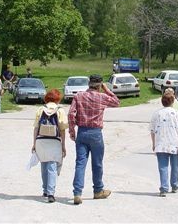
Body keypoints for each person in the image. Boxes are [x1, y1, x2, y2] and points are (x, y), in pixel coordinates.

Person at [68, 74, 120, 205]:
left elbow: (71, 114)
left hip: (82, 132)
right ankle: (98, 190)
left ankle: (77, 193)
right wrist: (107, 89)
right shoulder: (102, 97)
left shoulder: (79, 96)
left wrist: (72, 131)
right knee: (97, 163)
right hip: (96, 133)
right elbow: (116, 102)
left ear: (89, 84)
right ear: (100, 85)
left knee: (80, 163)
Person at [32, 89, 67, 203]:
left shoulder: (40, 109)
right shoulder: (60, 110)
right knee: (52, 165)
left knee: (44, 164)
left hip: (41, 140)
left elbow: (36, 127)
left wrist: (34, 144)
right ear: (58, 99)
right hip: (54, 140)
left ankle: (45, 190)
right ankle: (51, 193)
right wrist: (63, 145)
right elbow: (62, 129)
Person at [150, 93, 178, 197]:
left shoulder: (156, 114)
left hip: (160, 144)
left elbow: (152, 131)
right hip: (174, 143)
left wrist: (153, 144)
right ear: (172, 102)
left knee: (163, 167)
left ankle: (164, 188)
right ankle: (174, 185)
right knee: (175, 166)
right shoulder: (177, 113)